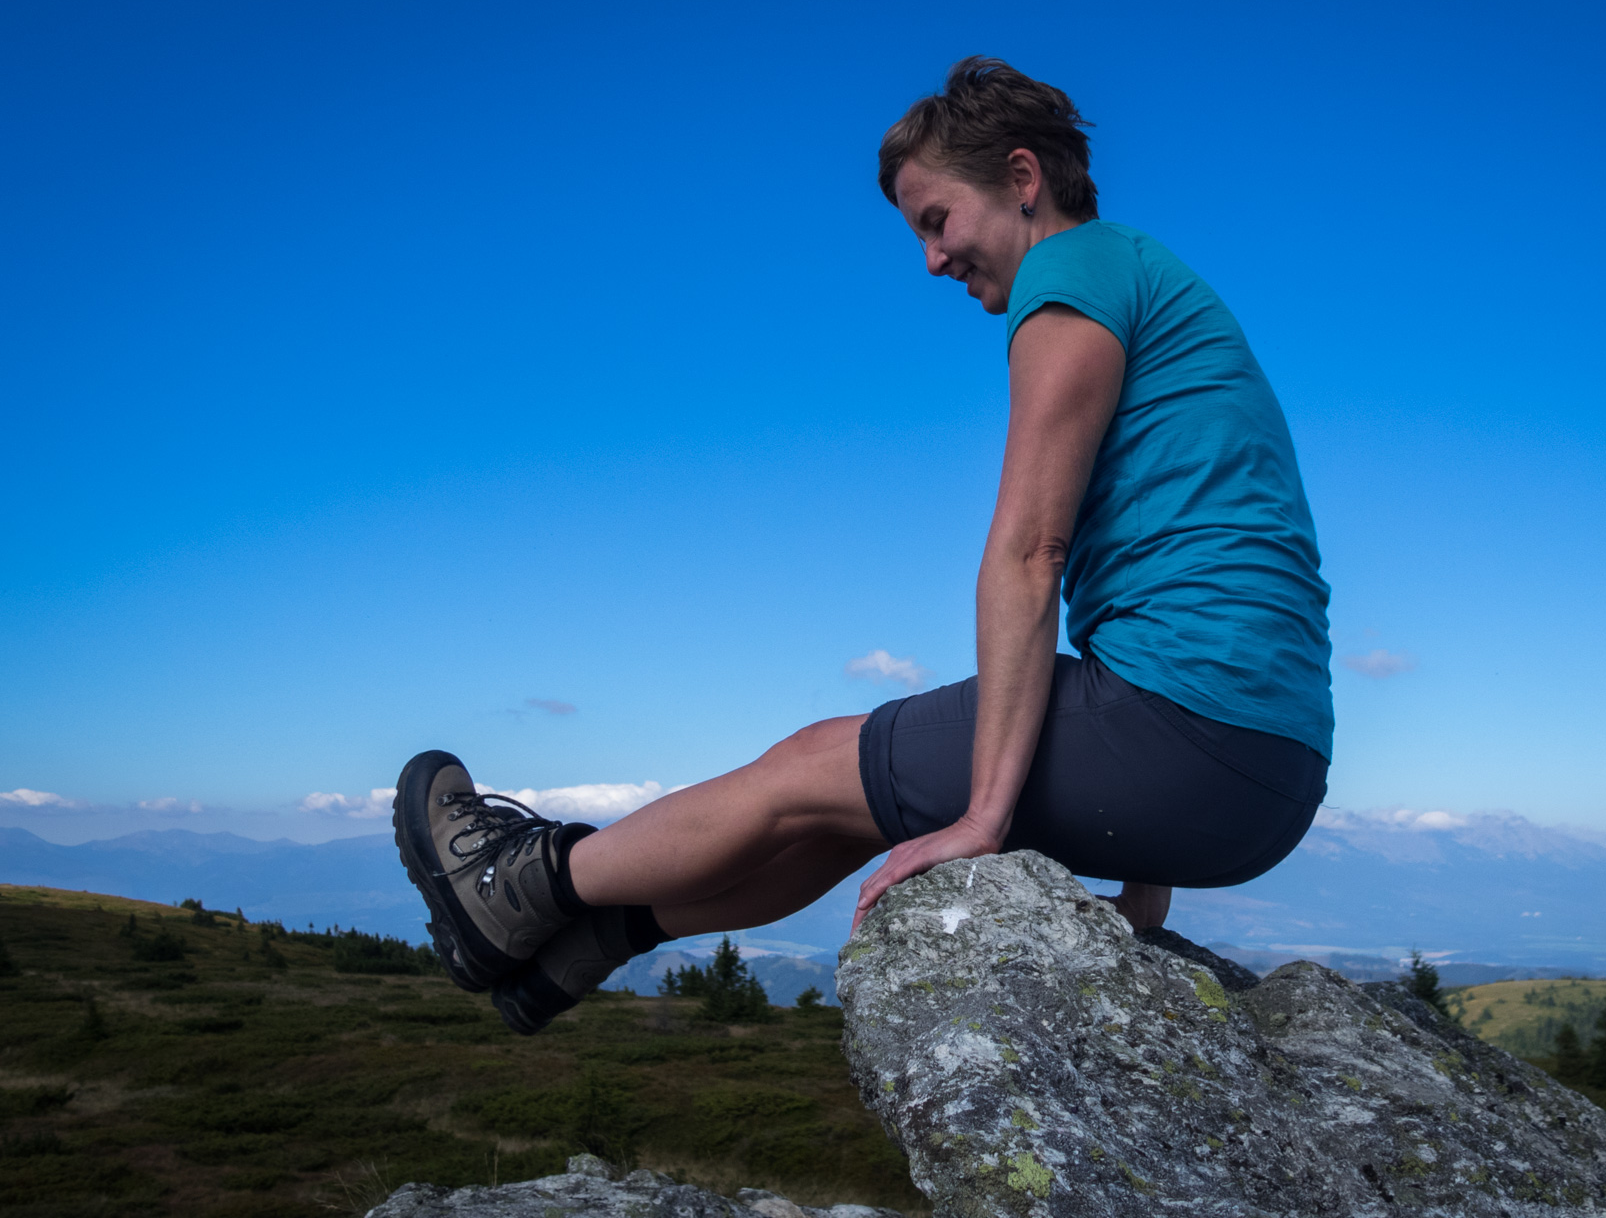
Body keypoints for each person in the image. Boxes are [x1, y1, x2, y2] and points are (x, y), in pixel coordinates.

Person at [393, 57, 1334, 1035]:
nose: (931, 260)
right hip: (1264, 777)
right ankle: (583, 944)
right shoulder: (1148, 276)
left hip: (1185, 737)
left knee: (810, 761)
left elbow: (1028, 551)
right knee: (849, 804)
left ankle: (510, 881)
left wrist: (981, 817)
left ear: (1022, 179)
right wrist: (1146, 894)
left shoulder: (1075, 269)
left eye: (936, 221)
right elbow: (1207, 606)